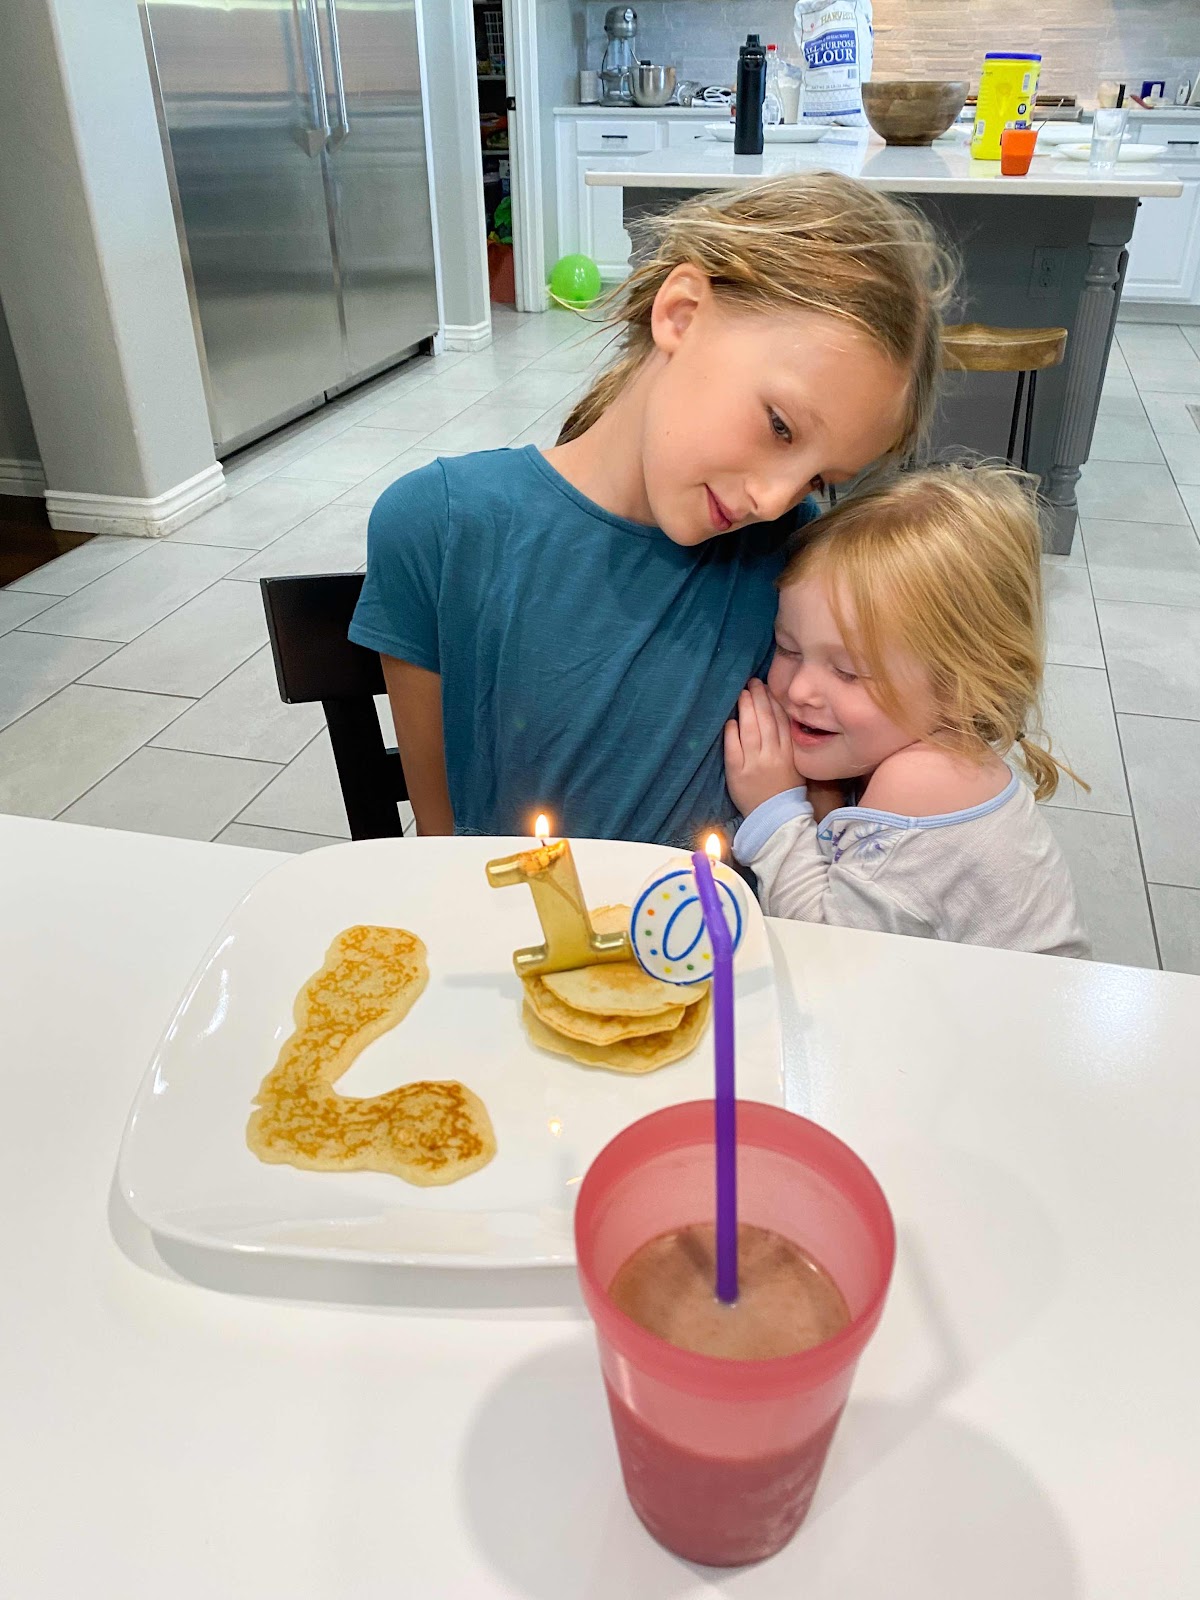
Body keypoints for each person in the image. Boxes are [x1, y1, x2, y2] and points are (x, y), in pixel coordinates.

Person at [349, 173, 953, 844]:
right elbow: (440, 843)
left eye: (819, 479)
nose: (776, 499)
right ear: (681, 314)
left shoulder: (801, 569)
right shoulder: (440, 528)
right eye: (780, 427)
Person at [724, 463, 1089, 957]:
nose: (801, 689)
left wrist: (774, 813)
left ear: (960, 686)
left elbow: (830, 956)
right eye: (788, 648)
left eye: (850, 672)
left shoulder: (923, 779)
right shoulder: (917, 752)